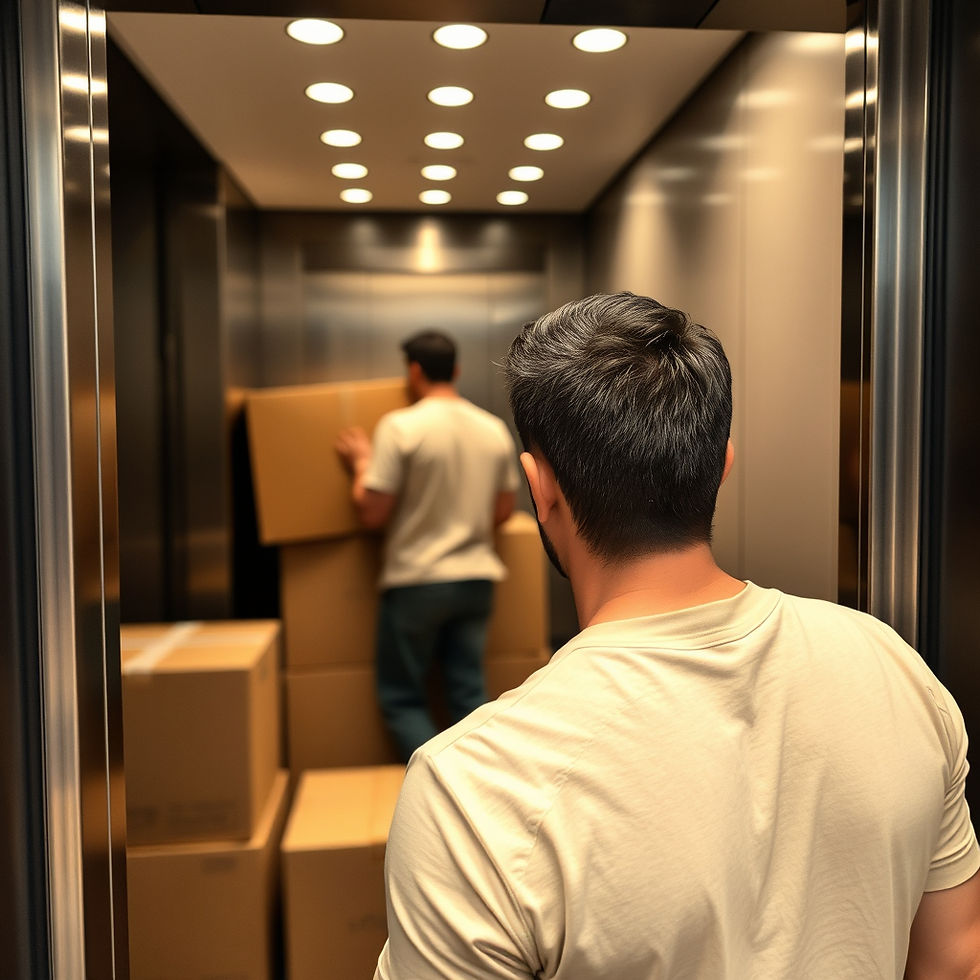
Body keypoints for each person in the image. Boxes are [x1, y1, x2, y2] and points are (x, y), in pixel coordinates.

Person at [374, 293, 980, 979]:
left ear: (541, 490)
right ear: (721, 466)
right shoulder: (893, 667)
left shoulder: (471, 793)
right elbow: (954, 962)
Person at [336, 330, 519, 762]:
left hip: (417, 580)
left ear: (414, 371)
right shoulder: (493, 429)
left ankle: (435, 784)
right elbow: (502, 511)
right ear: (456, 370)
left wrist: (361, 463)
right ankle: (478, 782)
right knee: (467, 692)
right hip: (476, 580)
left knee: (402, 697)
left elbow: (372, 513)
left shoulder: (401, 426)